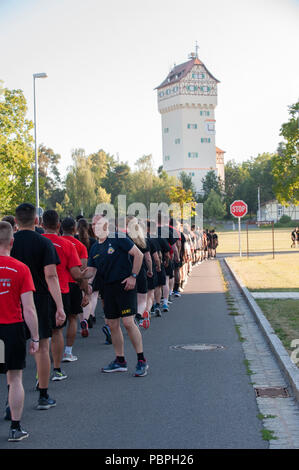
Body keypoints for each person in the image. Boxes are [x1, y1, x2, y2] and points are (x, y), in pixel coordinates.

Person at [11, 203, 65, 410]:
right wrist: (59, 305)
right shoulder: (44, 243)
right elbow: (51, 276)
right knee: (42, 347)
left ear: (16, 221)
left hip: (12, 299)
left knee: (14, 348)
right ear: (36, 221)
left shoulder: (9, 243)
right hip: (39, 299)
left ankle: (12, 398)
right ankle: (43, 394)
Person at [87, 216, 148, 377]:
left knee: (128, 322)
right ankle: (120, 360)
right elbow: (91, 271)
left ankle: (141, 360)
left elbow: (139, 255)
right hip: (107, 289)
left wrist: (133, 276)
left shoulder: (118, 238)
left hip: (124, 285)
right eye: (93, 224)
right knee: (112, 324)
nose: (94, 226)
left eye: (98, 223)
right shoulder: (94, 248)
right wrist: (79, 277)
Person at [0, 221, 39, 441]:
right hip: (12, 329)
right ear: (11, 242)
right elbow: (29, 309)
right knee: (15, 378)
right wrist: (35, 337)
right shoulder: (21, 268)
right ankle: (15, 427)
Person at [42, 210, 91, 380]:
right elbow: (78, 273)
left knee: (41, 333)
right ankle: (57, 367)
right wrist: (86, 288)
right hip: (62, 290)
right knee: (60, 328)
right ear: (57, 226)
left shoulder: (36, 242)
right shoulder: (69, 245)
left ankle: (40, 370)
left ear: (41, 224)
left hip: (35, 292)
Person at [61, 217, 89, 358]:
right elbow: (82, 271)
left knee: (55, 324)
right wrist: (86, 292)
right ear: (75, 229)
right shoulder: (80, 246)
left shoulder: (52, 243)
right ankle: (68, 352)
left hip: (55, 285)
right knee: (72, 318)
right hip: (73, 285)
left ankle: (52, 351)